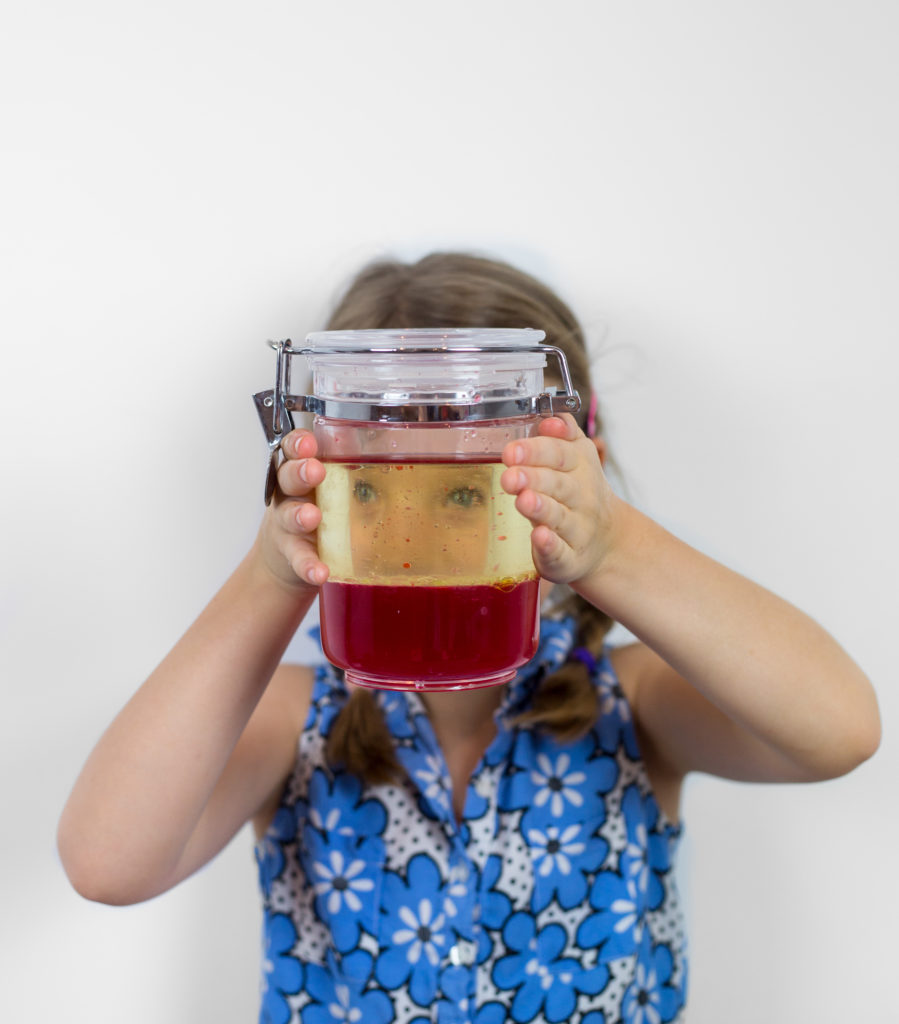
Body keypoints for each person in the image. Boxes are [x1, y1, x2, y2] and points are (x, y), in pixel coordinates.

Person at [57, 253, 881, 1024]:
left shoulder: (632, 707)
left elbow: (838, 730)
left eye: (461, 495)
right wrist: (272, 572)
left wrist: (615, 545)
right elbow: (106, 864)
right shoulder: (287, 722)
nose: (418, 537)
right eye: (372, 486)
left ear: (573, 471)